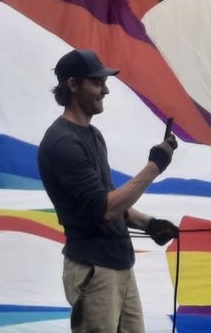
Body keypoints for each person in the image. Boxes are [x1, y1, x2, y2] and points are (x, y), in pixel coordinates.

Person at [38, 48, 179, 333]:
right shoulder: (63, 143)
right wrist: (155, 166)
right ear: (73, 85)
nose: (106, 90)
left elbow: (110, 197)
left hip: (119, 266)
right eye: (97, 82)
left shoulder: (93, 135)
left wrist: (149, 223)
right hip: (95, 271)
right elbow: (105, 209)